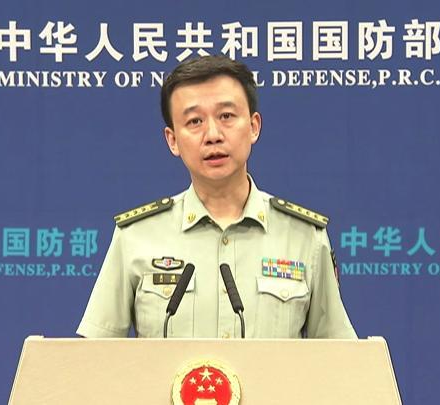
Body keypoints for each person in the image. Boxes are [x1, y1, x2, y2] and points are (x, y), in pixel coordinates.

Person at [77, 55, 357, 339]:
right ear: (172, 140)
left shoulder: (305, 238)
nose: (212, 135)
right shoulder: (136, 236)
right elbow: (94, 356)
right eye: (194, 121)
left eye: (226, 116)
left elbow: (339, 357)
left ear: (254, 126)